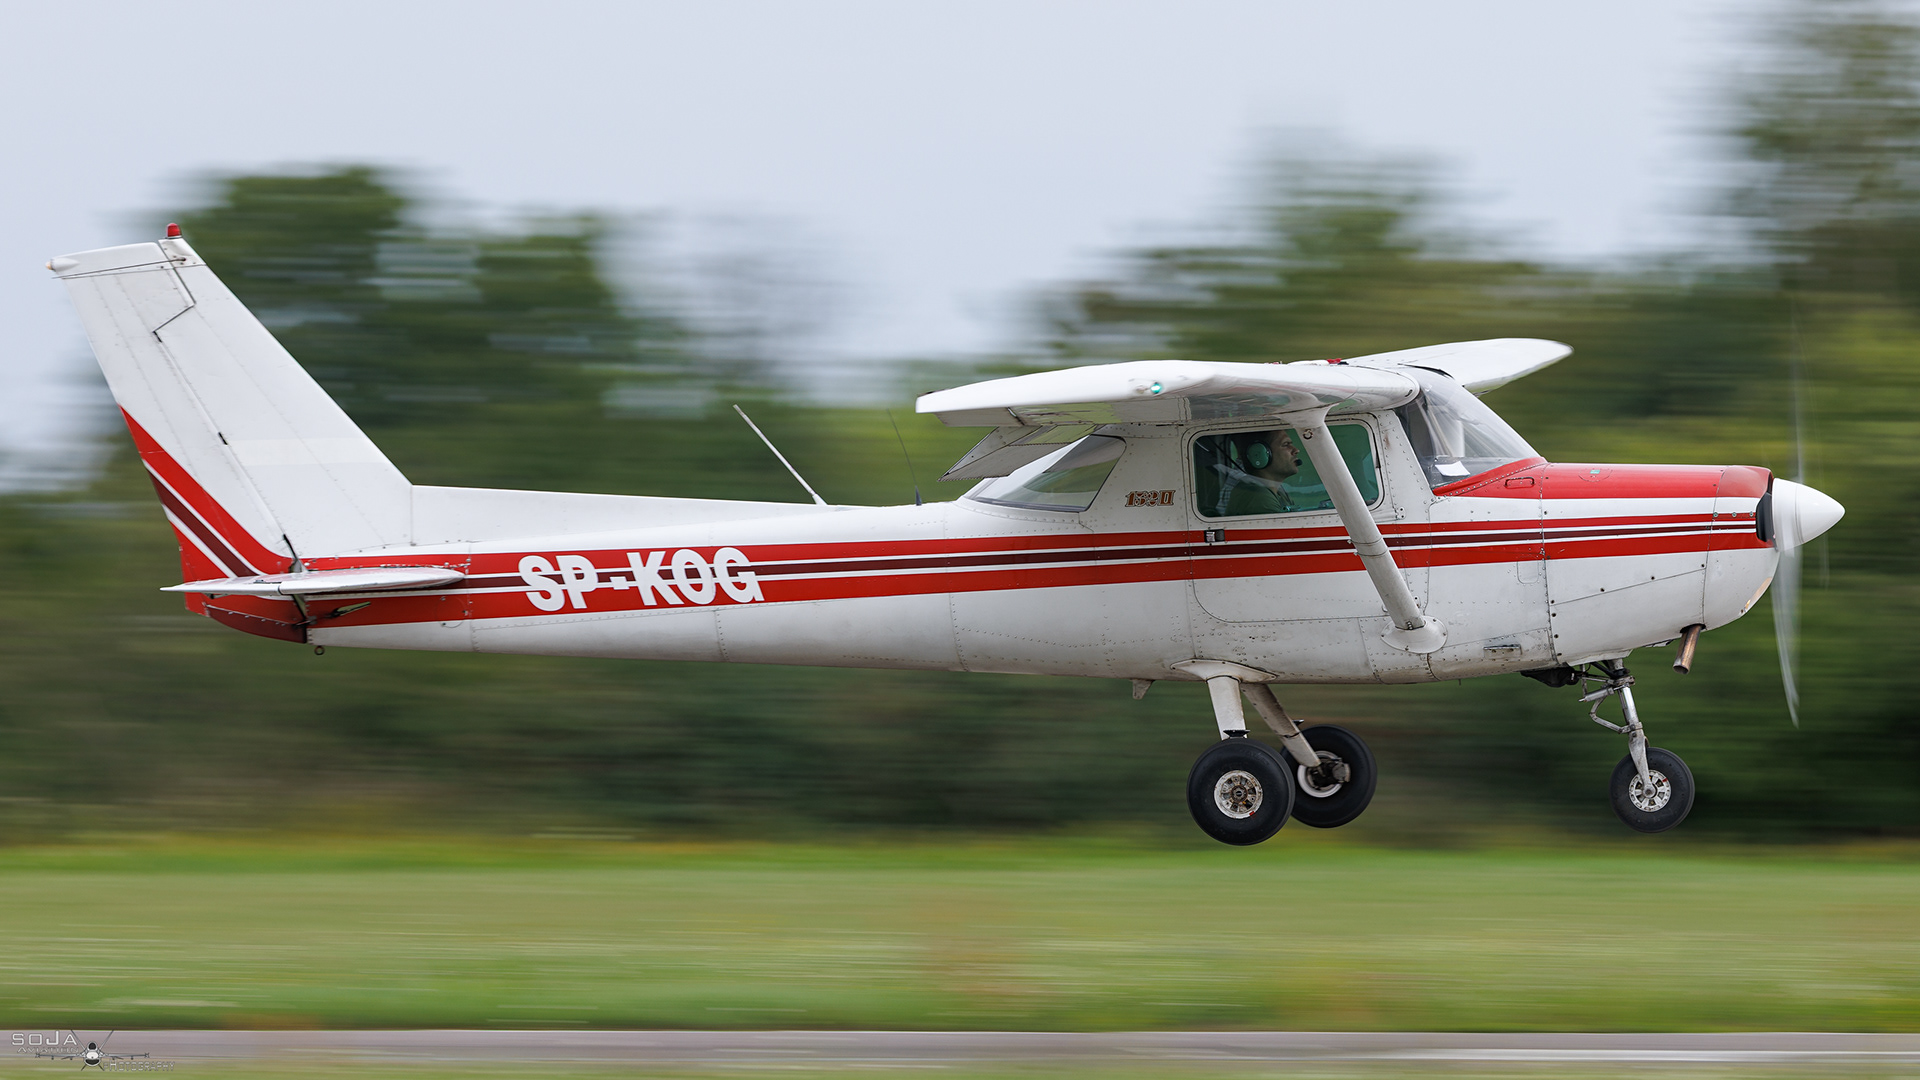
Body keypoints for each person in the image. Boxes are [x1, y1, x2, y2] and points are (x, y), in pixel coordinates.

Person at [1205, 428, 1305, 516]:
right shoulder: (1258, 495)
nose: (1296, 450)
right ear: (1259, 454)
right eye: (1286, 444)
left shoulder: (1276, 491)